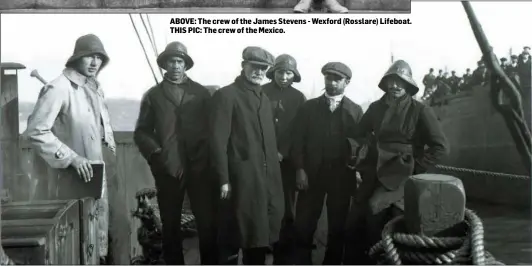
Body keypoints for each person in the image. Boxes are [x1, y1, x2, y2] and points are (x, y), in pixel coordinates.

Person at [343, 60, 449, 264]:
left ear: (408, 85)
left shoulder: (420, 110)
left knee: (376, 210)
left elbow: (440, 147)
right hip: (374, 169)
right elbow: (359, 134)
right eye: (391, 81)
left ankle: (384, 259)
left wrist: (416, 167)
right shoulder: (375, 108)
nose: (395, 86)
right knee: (354, 217)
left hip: (402, 172)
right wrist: (359, 153)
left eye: (400, 82)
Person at [23, 34, 116, 264]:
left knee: (95, 245)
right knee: (72, 247)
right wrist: (72, 158)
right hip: (67, 182)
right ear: (76, 59)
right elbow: (36, 131)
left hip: (95, 181)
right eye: (88, 57)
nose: (94, 63)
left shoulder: (95, 89)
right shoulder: (58, 88)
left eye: (99, 58)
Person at [133, 41, 219, 265]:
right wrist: (158, 156)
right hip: (168, 170)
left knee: (207, 223)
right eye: (171, 61)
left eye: (180, 61)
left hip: (200, 168)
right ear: (164, 65)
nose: (175, 66)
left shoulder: (201, 93)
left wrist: (207, 156)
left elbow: (214, 128)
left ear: (186, 65)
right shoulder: (153, 96)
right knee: (170, 226)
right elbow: (141, 133)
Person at [210, 46, 284, 265]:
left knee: (259, 238)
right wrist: (223, 179)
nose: (259, 72)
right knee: (233, 238)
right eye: (255, 67)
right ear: (244, 66)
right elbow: (217, 141)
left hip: (266, 182)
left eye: (264, 68)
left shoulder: (264, 98)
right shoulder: (227, 95)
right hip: (239, 180)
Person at [291, 62, 363, 265]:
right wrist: (300, 169)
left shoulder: (355, 111)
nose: (331, 82)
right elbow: (298, 141)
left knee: (338, 227)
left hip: (341, 177)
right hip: (311, 175)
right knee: (304, 225)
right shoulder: (309, 108)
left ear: (347, 82)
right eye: (328, 78)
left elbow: (363, 143)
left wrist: (355, 164)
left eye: (337, 79)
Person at [262, 54, 307, 265]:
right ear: (273, 73)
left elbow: (300, 132)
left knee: (288, 207)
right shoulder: (261, 92)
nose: (284, 76)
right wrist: (270, 151)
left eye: (288, 73)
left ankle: (284, 251)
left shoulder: (299, 98)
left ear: (294, 75)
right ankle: (264, 244)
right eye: (280, 72)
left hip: (288, 162)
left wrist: (284, 152)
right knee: (263, 203)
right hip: (262, 160)